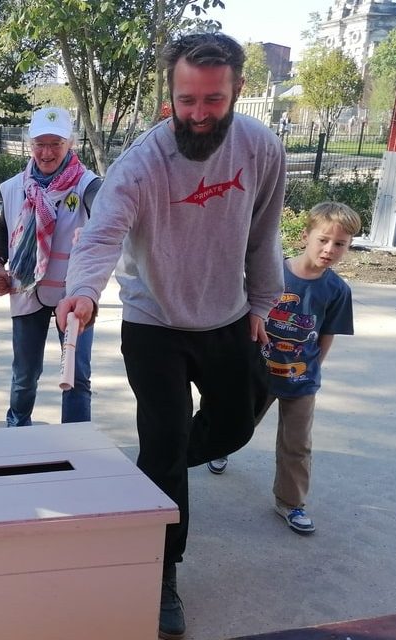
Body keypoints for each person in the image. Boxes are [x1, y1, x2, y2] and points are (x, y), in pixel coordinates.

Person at [55, 33, 285, 639]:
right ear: (171, 94)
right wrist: (83, 291)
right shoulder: (143, 161)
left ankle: (147, 476)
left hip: (228, 318)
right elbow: (102, 233)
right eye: (188, 100)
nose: (200, 113)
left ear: (235, 90)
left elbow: (265, 232)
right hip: (154, 324)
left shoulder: (260, 147)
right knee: (167, 441)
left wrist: (263, 301)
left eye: (213, 99)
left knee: (234, 425)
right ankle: (162, 571)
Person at [207, 202, 360, 537]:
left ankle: (290, 503)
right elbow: (242, 312)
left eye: (340, 244)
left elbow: (326, 335)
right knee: (238, 422)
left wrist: (313, 369)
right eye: (323, 240)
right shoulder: (273, 271)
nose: (329, 249)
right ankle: (220, 449)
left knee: (297, 444)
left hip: (300, 380)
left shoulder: (337, 291)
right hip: (259, 373)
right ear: (305, 235)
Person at [0, 106, 102, 427]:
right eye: (40, 143)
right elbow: (2, 228)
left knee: (77, 376)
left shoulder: (87, 186)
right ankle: (18, 430)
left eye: (56, 143)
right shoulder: (15, 186)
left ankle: (78, 443)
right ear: (30, 144)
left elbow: (106, 213)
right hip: (26, 291)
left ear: (71, 145)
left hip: (73, 298)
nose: (47, 151)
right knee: (25, 375)